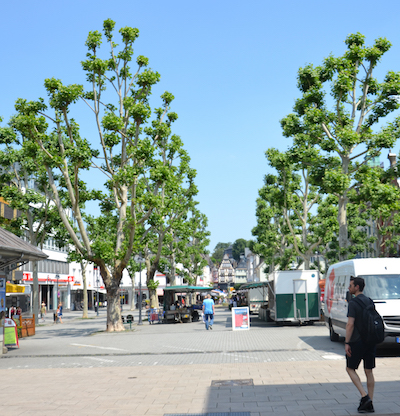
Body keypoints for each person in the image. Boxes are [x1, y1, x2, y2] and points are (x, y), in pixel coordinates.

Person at [345, 276, 375, 413]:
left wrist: (347, 342)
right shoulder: (369, 301)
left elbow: (350, 324)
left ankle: (364, 396)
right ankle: (371, 402)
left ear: (357, 287)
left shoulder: (353, 303)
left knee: (350, 368)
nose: (349, 288)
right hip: (371, 340)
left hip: (357, 341)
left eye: (351, 285)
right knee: (368, 371)